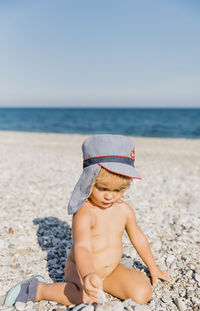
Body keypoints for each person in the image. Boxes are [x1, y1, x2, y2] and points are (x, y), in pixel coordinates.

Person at [4, 135, 171, 307]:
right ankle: (38, 289)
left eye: (117, 190)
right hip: (81, 269)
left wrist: (153, 267)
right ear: (89, 180)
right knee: (86, 298)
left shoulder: (124, 210)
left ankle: (111, 278)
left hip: (110, 269)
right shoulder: (85, 212)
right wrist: (88, 275)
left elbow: (138, 238)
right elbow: (82, 247)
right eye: (102, 188)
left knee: (142, 293)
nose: (109, 196)